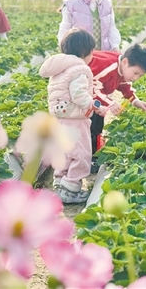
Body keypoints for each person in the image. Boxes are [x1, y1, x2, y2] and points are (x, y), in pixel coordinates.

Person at [39, 29, 107, 204]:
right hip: (75, 119)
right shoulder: (79, 69)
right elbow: (78, 94)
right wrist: (93, 105)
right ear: (85, 52)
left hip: (60, 117)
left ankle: (61, 183)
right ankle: (71, 189)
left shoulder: (60, 68)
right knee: (82, 154)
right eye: (92, 52)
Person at [89, 44, 146, 171]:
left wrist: (135, 101)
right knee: (88, 127)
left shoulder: (122, 68)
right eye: (135, 73)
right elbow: (91, 89)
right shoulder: (107, 67)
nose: (135, 78)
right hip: (79, 96)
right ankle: (85, 159)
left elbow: (125, 86)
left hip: (94, 100)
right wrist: (111, 103)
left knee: (98, 126)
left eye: (140, 76)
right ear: (125, 62)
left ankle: (94, 156)